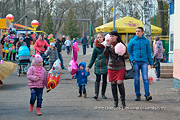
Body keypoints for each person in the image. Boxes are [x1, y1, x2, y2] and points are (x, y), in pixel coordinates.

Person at [127, 27, 153, 101]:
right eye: (136, 31)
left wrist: (151, 63)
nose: (137, 32)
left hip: (144, 62)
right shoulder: (132, 41)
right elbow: (129, 51)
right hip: (136, 62)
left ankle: (147, 94)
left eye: (139, 31)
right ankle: (138, 94)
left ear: (142, 32)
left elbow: (148, 52)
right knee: (137, 79)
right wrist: (132, 60)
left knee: (145, 78)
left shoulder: (146, 41)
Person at [103, 31, 128, 108]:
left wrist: (121, 55)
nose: (111, 38)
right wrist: (107, 45)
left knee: (120, 82)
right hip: (111, 67)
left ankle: (123, 101)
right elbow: (105, 54)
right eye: (110, 36)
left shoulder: (121, 45)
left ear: (116, 36)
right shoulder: (108, 45)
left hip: (120, 66)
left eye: (113, 36)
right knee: (113, 84)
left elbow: (127, 56)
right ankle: (115, 101)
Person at [86, 33, 108, 100]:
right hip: (98, 65)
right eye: (98, 37)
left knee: (104, 80)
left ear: (103, 37)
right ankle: (96, 94)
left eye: (100, 37)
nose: (99, 38)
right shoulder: (95, 47)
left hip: (105, 65)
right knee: (97, 80)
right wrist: (89, 67)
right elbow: (93, 57)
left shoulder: (107, 45)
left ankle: (103, 94)